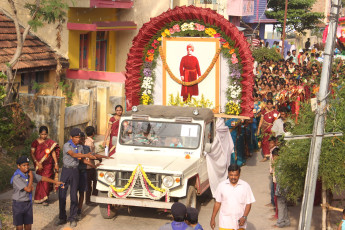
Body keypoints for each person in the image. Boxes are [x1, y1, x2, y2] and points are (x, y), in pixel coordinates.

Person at [56, 128, 96, 228]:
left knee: (74, 194)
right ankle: (62, 217)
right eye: (76, 137)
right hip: (66, 171)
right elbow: (73, 154)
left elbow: (82, 160)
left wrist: (93, 165)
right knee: (62, 193)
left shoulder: (80, 147)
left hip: (75, 171)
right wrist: (86, 155)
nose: (78, 139)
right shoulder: (67, 145)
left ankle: (72, 218)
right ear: (71, 137)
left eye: (79, 137)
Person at [11, 156, 63, 230]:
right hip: (18, 204)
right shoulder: (17, 177)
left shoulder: (28, 173)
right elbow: (28, 189)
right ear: (18, 166)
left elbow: (42, 178)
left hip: (28, 203)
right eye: (24, 165)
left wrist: (56, 182)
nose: (26, 167)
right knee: (19, 227)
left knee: (28, 225)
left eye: (27, 164)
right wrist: (31, 177)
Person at [210, 164, 255, 230]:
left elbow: (248, 203)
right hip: (225, 222)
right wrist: (213, 218)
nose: (233, 177)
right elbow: (217, 203)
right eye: (231, 175)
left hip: (240, 222)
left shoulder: (245, 186)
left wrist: (244, 217)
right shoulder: (221, 186)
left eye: (235, 175)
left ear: (239, 175)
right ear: (228, 174)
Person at [30, 126, 60, 205]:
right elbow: (32, 153)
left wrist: (56, 163)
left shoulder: (50, 142)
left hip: (48, 164)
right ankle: (39, 197)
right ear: (39, 134)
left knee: (47, 179)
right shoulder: (35, 142)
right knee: (40, 180)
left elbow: (53, 153)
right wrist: (37, 163)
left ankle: (45, 198)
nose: (44, 136)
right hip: (39, 164)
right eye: (42, 134)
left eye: (45, 134)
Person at [272, 149, 291, 228]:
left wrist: (279, 191)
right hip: (285, 188)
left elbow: (280, 180)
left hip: (281, 189)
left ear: (276, 156)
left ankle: (280, 222)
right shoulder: (283, 163)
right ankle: (286, 221)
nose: (273, 158)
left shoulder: (279, 165)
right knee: (284, 205)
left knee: (281, 206)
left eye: (273, 156)